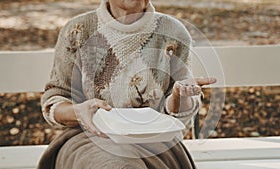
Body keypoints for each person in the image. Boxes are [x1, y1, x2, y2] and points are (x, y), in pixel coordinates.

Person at [38, 0, 216, 168]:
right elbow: (55, 97)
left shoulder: (173, 31)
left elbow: (178, 112)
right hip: (90, 138)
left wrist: (179, 96)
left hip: (154, 141)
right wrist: (78, 112)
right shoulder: (77, 31)